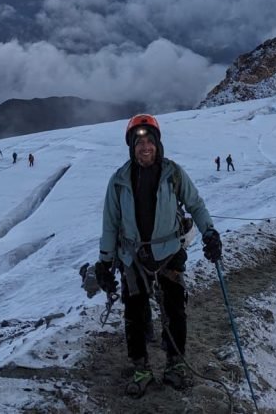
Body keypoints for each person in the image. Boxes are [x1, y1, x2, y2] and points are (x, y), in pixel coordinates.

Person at [93, 113, 221, 398]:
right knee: (135, 315)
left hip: (169, 253)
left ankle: (175, 365)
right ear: (131, 147)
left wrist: (210, 232)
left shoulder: (173, 173)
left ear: (157, 144)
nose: (145, 147)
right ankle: (141, 368)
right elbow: (110, 223)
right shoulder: (119, 181)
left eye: (149, 141)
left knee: (175, 311)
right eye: (139, 143)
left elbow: (196, 204)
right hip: (132, 258)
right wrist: (105, 261)